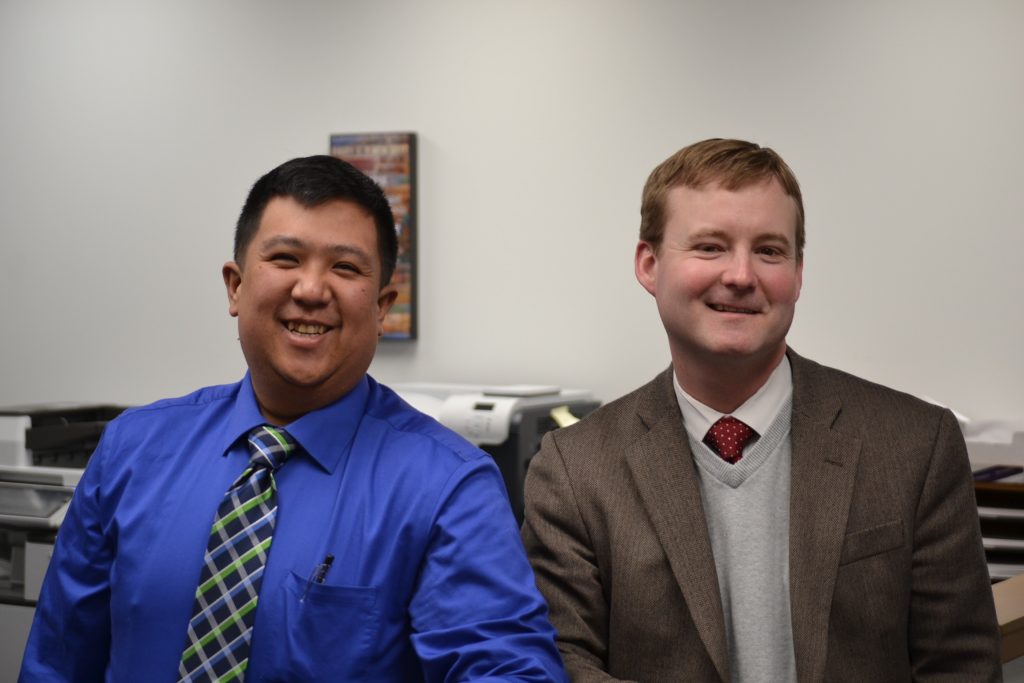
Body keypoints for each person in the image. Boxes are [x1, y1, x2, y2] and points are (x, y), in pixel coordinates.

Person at [21, 155, 567, 682]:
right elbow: (57, 662)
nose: (310, 290)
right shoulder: (132, 451)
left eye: (345, 267)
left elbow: (505, 668)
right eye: (285, 259)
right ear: (235, 286)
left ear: (381, 308)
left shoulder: (450, 488)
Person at [521, 138, 1001, 682]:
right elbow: (565, 666)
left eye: (770, 251)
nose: (741, 276)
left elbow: (961, 668)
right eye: (709, 247)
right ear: (649, 264)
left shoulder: (915, 445)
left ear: (798, 273)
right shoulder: (574, 471)